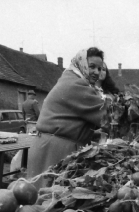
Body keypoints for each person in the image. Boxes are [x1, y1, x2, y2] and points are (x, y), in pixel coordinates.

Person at [27, 47, 108, 189]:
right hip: (55, 148)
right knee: (48, 197)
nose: (96, 72)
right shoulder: (76, 85)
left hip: (48, 143)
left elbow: (70, 121)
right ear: (81, 64)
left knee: (40, 195)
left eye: (100, 69)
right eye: (92, 67)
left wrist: (92, 134)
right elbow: (106, 115)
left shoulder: (72, 79)